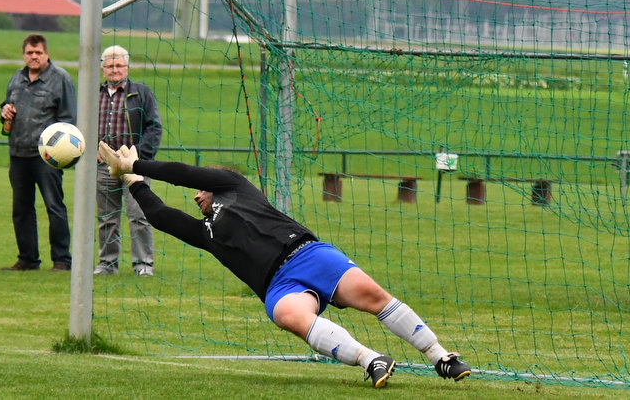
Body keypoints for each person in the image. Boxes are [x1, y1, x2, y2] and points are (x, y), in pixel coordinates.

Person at [98, 142, 471, 388]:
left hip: (307, 253)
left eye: (201, 190)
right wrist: (131, 179)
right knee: (286, 315)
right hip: (279, 285)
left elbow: (184, 173)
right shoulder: (205, 233)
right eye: (195, 194)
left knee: (373, 296)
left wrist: (137, 162)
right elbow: (162, 216)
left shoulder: (234, 185)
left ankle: (440, 357)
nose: (196, 195)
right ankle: (371, 360)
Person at [0, 33, 76, 272]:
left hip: (47, 156)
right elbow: (6, 106)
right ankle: (27, 259)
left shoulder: (60, 79)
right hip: (18, 152)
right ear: (24, 55)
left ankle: (62, 260)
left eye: (38, 53)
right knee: (21, 208)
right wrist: (4, 111)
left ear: (47, 54)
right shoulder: (16, 78)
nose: (33, 57)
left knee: (54, 206)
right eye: (29, 53)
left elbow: (68, 120)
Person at [95, 45, 162, 276]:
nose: (115, 70)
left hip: (134, 165)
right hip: (104, 166)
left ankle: (143, 264)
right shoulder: (95, 93)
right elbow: (83, 125)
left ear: (127, 67)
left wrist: (137, 157)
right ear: (102, 68)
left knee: (140, 216)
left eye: (120, 65)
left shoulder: (142, 93)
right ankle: (107, 264)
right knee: (106, 218)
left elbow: (154, 127)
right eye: (110, 65)